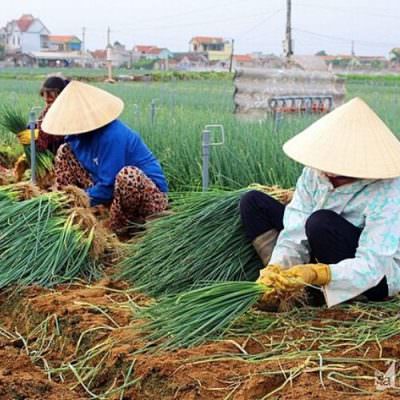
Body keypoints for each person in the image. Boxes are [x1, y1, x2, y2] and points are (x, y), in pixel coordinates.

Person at [240, 97, 400, 308]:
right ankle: (288, 286)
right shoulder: (315, 174)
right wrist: (277, 270)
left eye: (339, 173)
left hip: (371, 276)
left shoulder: (389, 190)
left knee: (321, 222)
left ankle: (330, 292)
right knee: (252, 202)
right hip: (317, 242)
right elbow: (295, 228)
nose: (328, 174)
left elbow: (372, 265)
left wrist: (320, 273)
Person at [42, 80, 168, 232]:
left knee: (127, 175)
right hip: (109, 192)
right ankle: (69, 210)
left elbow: (108, 185)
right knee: (64, 151)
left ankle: (124, 224)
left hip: (147, 197)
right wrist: (65, 199)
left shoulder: (112, 136)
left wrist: (82, 198)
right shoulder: (75, 136)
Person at [14, 76, 69, 182]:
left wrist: (39, 135)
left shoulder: (66, 110)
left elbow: (59, 134)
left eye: (50, 96)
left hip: (64, 154)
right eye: (45, 96)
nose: (46, 99)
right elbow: (42, 124)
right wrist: (32, 128)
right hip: (50, 152)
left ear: (60, 95)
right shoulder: (48, 109)